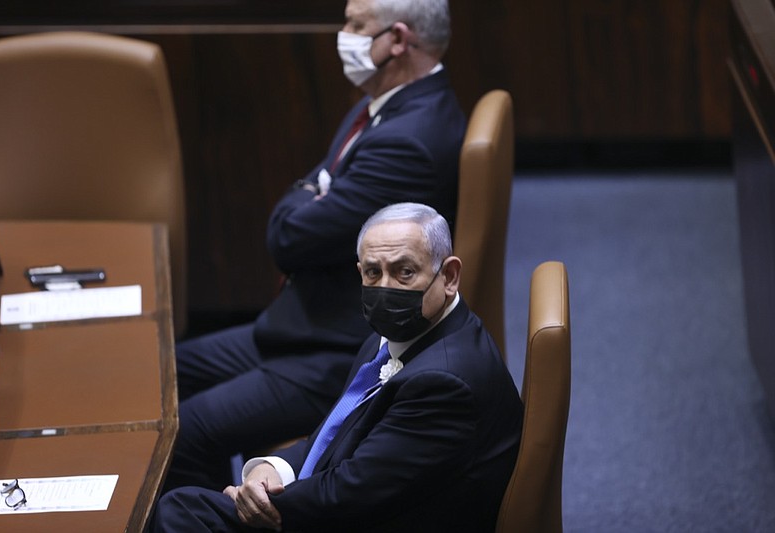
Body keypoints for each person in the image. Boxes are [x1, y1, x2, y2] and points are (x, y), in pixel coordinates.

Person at [164, 0, 466, 493]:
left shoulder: (407, 140)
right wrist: (314, 189)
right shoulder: (387, 104)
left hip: (338, 347)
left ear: (398, 40)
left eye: (355, 25)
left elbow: (290, 238)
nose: (342, 34)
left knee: (187, 430)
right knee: (162, 370)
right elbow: (312, 197)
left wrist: (311, 189)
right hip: (300, 324)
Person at [153, 202, 523, 532]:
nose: (385, 287)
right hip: (365, 503)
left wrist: (256, 503)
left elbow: (351, 493)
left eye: (405, 272)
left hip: (384, 518)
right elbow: (332, 434)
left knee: (180, 512)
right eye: (373, 273)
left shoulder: (443, 382)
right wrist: (272, 469)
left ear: (449, 275)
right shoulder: (393, 337)